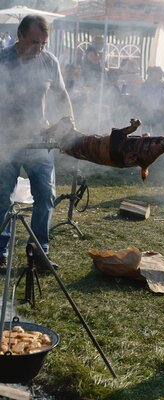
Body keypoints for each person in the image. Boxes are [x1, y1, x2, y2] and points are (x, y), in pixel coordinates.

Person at [0, 15, 74, 273]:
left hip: (38, 141)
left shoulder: (49, 61)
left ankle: (39, 251)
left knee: (45, 196)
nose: (40, 48)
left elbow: (61, 93)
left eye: (43, 43)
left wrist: (68, 120)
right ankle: (0, 251)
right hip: (5, 140)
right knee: (2, 198)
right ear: (19, 36)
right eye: (34, 42)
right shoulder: (2, 59)